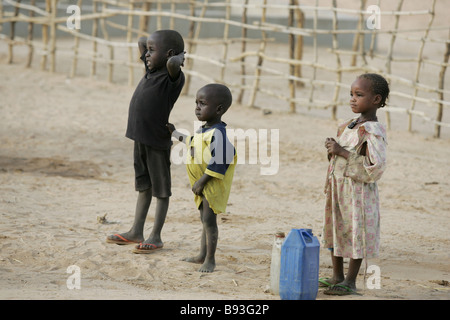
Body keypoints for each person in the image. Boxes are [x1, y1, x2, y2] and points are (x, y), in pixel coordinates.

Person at [106, 30, 185, 254]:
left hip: (156, 141)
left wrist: (176, 58)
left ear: (170, 55)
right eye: (147, 51)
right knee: (144, 186)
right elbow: (142, 41)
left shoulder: (172, 77)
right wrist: (152, 46)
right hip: (140, 137)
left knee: (161, 191)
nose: (146, 54)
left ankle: (156, 236)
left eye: (152, 51)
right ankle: (136, 231)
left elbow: (172, 64)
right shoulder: (151, 70)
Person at [321, 73, 389, 295]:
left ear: (376, 99)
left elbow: (375, 167)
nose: (352, 99)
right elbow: (342, 156)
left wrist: (341, 151)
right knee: (336, 229)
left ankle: (350, 281)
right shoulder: (348, 126)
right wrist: (333, 149)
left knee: (355, 233)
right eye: (351, 94)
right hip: (339, 190)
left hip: (357, 194)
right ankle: (337, 275)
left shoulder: (372, 131)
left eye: (359, 95)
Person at [167, 84, 237, 272]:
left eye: (203, 103)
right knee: (205, 221)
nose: (197, 107)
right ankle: (201, 255)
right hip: (202, 186)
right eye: (196, 103)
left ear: (219, 109)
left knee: (209, 222)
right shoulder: (204, 130)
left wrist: (202, 181)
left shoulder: (218, 134)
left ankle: (210, 260)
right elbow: (192, 142)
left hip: (210, 186)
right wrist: (174, 133)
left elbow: (220, 161)